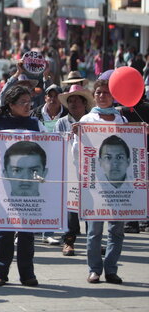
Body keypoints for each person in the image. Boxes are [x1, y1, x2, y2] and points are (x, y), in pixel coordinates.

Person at [0, 85, 47, 287]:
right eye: (23, 102)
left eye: (29, 102)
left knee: (27, 232)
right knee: (3, 232)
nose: (28, 106)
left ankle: (27, 274)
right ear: (11, 105)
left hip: (29, 187)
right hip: (4, 188)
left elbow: (50, 147)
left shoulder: (35, 123)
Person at [74, 79, 127, 284]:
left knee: (116, 229)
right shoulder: (86, 120)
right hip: (95, 183)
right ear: (93, 96)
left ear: (112, 96)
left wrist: (141, 132)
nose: (102, 96)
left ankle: (111, 269)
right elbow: (78, 152)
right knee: (94, 230)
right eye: (98, 92)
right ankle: (94, 269)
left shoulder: (121, 120)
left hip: (118, 185)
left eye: (106, 92)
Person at [55, 84, 93, 256]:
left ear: (84, 103)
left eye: (76, 100)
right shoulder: (61, 123)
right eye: (70, 101)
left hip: (91, 171)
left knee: (92, 208)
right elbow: (55, 145)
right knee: (70, 208)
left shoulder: (93, 121)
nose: (73, 104)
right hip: (69, 171)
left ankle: (94, 242)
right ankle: (68, 242)